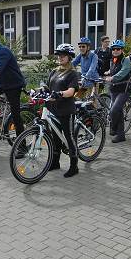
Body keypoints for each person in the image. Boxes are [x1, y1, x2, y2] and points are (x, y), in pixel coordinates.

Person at [45, 43, 80, 178]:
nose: (60, 57)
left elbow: (71, 92)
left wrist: (59, 94)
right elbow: (48, 88)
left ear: (69, 57)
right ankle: (55, 163)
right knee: (55, 138)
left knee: (69, 137)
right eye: (59, 54)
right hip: (53, 110)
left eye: (63, 55)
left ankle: (74, 166)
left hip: (66, 110)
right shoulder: (54, 71)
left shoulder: (72, 74)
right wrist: (38, 91)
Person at [104, 39, 131, 143]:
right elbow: (114, 70)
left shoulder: (126, 60)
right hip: (114, 89)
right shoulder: (113, 60)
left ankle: (114, 128)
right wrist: (108, 72)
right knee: (119, 112)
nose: (115, 51)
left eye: (118, 49)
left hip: (123, 89)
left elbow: (123, 72)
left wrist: (112, 78)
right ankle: (121, 135)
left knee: (114, 110)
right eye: (113, 49)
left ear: (122, 50)